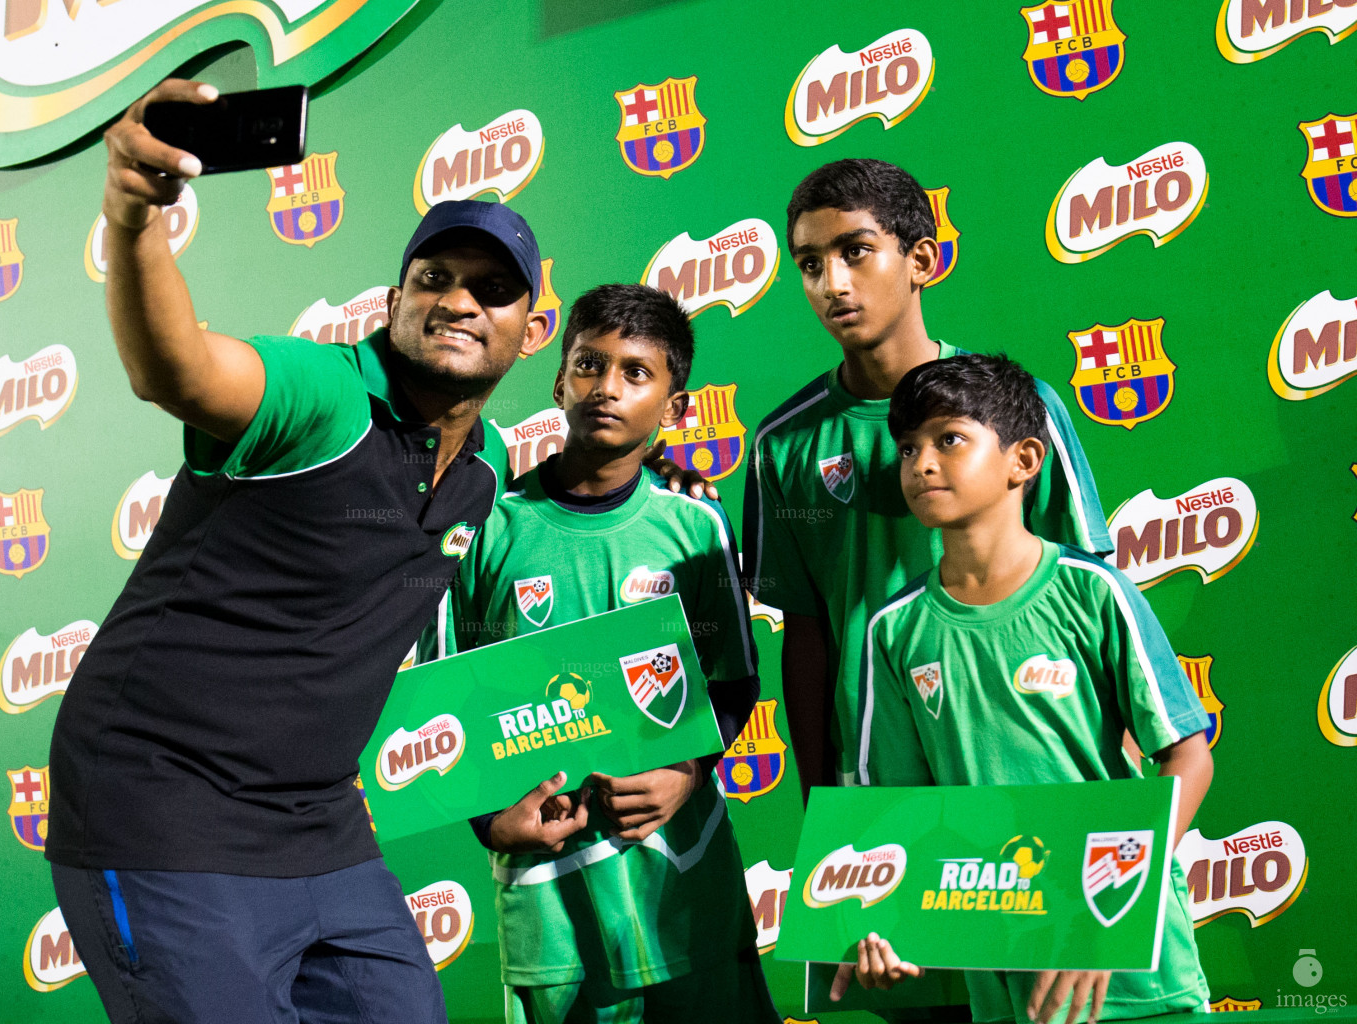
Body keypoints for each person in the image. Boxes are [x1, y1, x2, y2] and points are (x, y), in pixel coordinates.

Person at [45, 78, 552, 1024]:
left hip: (318, 823)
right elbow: (178, 367)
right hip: (163, 808)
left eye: (492, 289)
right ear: (396, 299)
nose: (458, 301)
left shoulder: (483, 466)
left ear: (533, 328)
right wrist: (134, 221)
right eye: (433, 278)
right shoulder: (320, 393)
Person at [446, 284, 780, 1024]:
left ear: (674, 407)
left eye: (636, 371)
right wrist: (490, 824)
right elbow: (449, 705)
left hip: (681, 888)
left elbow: (733, 682)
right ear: (560, 379)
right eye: (590, 364)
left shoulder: (695, 525)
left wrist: (686, 771)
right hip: (549, 900)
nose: (606, 387)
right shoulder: (488, 529)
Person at [848, 354, 1213, 1024]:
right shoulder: (892, 631)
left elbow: (1188, 756)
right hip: (1009, 980)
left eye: (949, 439)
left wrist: (1111, 916)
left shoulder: (1092, 591)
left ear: (1024, 460)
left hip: (1132, 963)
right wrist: (878, 924)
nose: (922, 463)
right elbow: (897, 812)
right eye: (908, 448)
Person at [742, 158, 1113, 804]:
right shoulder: (783, 445)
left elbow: (1094, 598)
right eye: (809, 264)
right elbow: (805, 637)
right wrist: (819, 804)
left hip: (1030, 759)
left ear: (923, 260)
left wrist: (1115, 763)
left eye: (856, 252)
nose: (832, 283)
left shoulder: (1022, 410)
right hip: (880, 775)